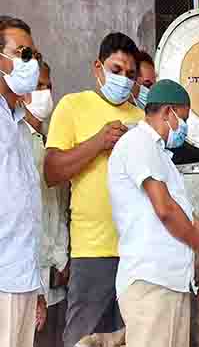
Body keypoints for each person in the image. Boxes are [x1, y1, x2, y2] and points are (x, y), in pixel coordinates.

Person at [107, 79, 199, 347]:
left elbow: (186, 218)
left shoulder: (161, 156)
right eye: (184, 118)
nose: (184, 128)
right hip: (151, 283)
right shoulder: (138, 143)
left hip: (171, 283)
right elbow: (165, 210)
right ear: (168, 112)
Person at [44, 32, 144, 347]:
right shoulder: (73, 106)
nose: (123, 80)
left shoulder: (141, 118)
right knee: (82, 338)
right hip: (93, 250)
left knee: (129, 338)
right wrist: (98, 143)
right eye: (116, 71)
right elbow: (52, 170)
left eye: (130, 75)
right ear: (97, 67)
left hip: (136, 251)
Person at [0, 16, 45, 347]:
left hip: (21, 277)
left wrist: (37, 284)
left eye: (34, 56)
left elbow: (24, 209)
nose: (31, 63)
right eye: (23, 54)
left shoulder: (16, 124)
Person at [20, 61, 71, 347]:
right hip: (26, 275)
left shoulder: (53, 141)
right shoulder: (14, 141)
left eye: (48, 86)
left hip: (56, 273)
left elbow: (60, 206)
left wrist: (63, 256)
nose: (45, 93)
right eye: (39, 86)